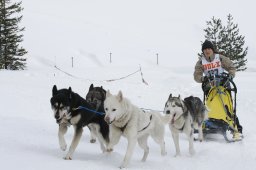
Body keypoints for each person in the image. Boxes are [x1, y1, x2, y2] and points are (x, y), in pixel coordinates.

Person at [193, 40, 243, 136]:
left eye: (209, 49)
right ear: (203, 51)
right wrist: (202, 79)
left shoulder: (219, 58)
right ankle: (210, 123)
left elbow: (231, 67)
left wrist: (230, 76)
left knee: (227, 108)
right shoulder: (200, 62)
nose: (207, 51)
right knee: (210, 106)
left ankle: (235, 126)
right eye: (205, 49)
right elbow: (196, 76)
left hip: (224, 85)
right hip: (210, 88)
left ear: (212, 50)